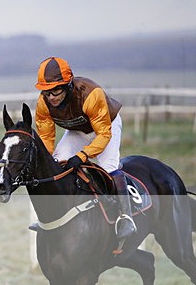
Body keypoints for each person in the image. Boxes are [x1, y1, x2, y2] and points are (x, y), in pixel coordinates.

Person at [34, 57, 136, 239]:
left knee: (108, 168)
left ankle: (125, 217)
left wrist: (82, 156)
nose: (51, 97)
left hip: (106, 127)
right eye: (46, 91)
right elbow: (46, 137)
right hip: (78, 130)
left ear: (68, 84)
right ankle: (55, 214)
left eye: (56, 90)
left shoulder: (90, 94)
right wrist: (47, 159)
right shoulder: (44, 103)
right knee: (57, 163)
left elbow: (104, 135)